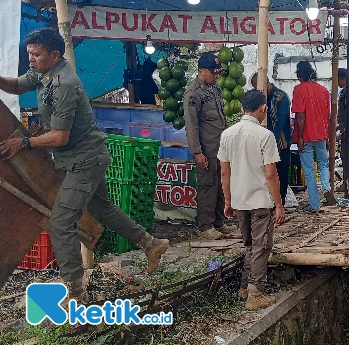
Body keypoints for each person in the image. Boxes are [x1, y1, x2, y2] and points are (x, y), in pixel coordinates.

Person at [0, 28, 169, 301]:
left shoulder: (64, 84)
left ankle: (74, 291)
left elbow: (59, 136)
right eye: (29, 54)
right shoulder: (43, 73)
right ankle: (152, 244)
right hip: (84, 156)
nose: (31, 59)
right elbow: (18, 85)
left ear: (55, 55)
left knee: (60, 223)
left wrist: (24, 143)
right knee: (103, 209)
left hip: (86, 161)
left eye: (36, 54)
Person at [218, 89, 285, 309]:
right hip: (260, 200)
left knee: (249, 244)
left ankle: (244, 287)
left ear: (241, 108)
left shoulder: (227, 134)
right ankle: (255, 293)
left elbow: (224, 172)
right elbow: (271, 174)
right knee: (262, 246)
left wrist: (227, 201)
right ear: (263, 108)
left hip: (239, 199)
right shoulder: (265, 136)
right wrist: (279, 205)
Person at [184, 52, 236, 239]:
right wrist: (197, 151)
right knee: (208, 186)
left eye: (217, 72)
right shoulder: (193, 93)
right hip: (206, 149)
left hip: (221, 148)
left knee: (222, 185)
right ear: (201, 71)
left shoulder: (216, 89)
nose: (216, 76)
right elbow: (191, 125)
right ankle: (205, 226)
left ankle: (219, 221)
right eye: (213, 73)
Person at [291, 60, 335, 212]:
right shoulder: (323, 90)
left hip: (307, 136)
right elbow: (329, 115)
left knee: (309, 171)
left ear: (300, 75)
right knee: (323, 164)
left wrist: (301, 136)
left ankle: (315, 205)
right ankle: (326, 187)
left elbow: (300, 116)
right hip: (322, 134)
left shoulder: (299, 90)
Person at [250, 73, 292, 205]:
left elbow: (280, 121)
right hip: (263, 141)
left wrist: (271, 139)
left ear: (266, 82)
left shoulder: (280, 97)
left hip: (280, 141)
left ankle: (281, 202)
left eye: (258, 87)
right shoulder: (260, 99)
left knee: (281, 171)